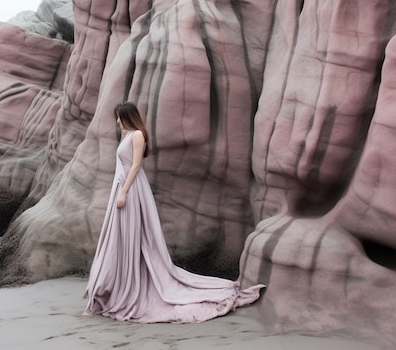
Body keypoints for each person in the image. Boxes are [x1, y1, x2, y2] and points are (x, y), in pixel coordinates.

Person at [83, 101, 265, 323]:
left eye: (119, 117)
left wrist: (124, 192)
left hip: (131, 190)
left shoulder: (138, 135)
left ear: (128, 116)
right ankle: (119, 284)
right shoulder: (129, 135)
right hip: (122, 189)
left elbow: (136, 166)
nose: (117, 121)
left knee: (132, 237)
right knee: (121, 238)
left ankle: (132, 284)